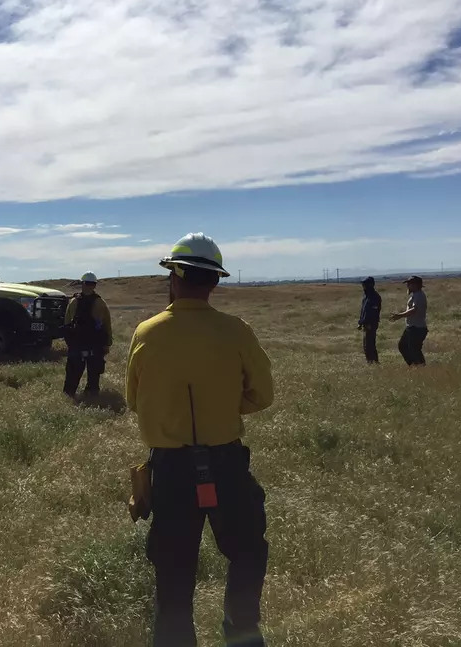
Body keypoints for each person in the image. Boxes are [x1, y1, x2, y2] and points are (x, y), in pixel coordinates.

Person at [126, 232, 274, 647]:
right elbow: (262, 395)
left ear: (173, 276)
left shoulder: (146, 333)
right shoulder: (236, 331)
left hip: (170, 472)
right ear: (215, 282)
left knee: (173, 569)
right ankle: (242, 635)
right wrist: (225, 407)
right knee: (247, 553)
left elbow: (135, 400)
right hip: (226, 465)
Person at [62, 272, 113, 397]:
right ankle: (91, 394)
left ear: (82, 284)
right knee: (94, 373)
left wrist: (69, 341)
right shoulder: (100, 303)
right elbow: (107, 324)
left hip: (77, 343)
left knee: (73, 372)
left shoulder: (73, 302)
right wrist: (107, 343)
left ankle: (69, 394)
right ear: (94, 285)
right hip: (95, 344)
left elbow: (67, 322)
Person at [390, 275, 428, 366]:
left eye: (409, 284)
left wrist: (400, 315)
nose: (408, 286)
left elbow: (414, 309)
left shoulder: (419, 295)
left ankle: (420, 367)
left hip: (417, 328)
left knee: (414, 349)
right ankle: (414, 366)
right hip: (412, 327)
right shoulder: (415, 295)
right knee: (403, 346)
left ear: (416, 285)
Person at [358, 276, 382, 364]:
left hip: (371, 324)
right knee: (366, 344)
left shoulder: (375, 297)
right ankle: (370, 361)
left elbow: (373, 312)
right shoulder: (366, 296)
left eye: (365, 284)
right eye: (363, 284)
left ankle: (373, 362)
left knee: (370, 344)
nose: (363, 286)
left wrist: (368, 323)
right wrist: (360, 322)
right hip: (365, 323)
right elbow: (363, 310)